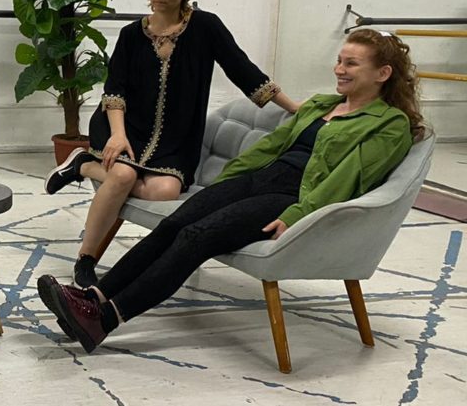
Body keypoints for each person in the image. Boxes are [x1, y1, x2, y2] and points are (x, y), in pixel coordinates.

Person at [37, 29, 422, 353]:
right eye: (339, 60)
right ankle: (92, 298)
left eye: (351, 64)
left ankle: (104, 320)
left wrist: (298, 214)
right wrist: (226, 183)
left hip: (293, 196)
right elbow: (272, 146)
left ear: (383, 73)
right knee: (175, 223)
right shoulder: (323, 104)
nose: (339, 69)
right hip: (260, 178)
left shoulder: (389, 125)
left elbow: (346, 181)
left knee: (196, 236)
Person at [44, 0, 300, 288]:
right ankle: (86, 259)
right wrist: (118, 136)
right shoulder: (131, 35)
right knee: (122, 175)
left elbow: (244, 71)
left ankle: (83, 165)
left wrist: (296, 108)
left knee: (164, 190)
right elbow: (114, 91)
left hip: (175, 138)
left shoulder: (206, 27)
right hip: (123, 125)